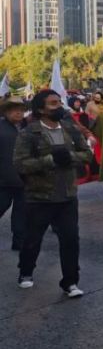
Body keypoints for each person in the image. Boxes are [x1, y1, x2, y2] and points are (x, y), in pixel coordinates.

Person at [15, 89, 93, 296]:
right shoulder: (29, 132)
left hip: (67, 195)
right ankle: (26, 272)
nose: (58, 106)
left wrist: (69, 157)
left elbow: (86, 154)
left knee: (70, 239)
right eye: (52, 103)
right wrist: (50, 160)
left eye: (59, 102)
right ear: (41, 109)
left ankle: (70, 282)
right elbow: (21, 164)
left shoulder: (69, 128)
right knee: (33, 239)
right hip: (39, 197)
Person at [0, 97, 28, 251]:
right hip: (4, 180)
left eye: (22, 109)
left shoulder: (23, 126)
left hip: (23, 178)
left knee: (21, 212)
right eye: (14, 109)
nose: (19, 112)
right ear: (6, 111)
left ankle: (19, 241)